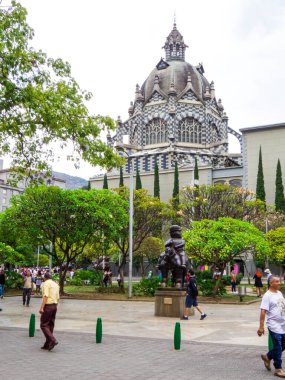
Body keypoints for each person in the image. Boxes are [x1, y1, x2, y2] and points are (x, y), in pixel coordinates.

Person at [258, 276, 285, 378]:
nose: (279, 283)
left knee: (283, 345)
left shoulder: (279, 293)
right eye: (277, 281)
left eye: (279, 281)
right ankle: (278, 369)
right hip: (274, 325)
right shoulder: (267, 296)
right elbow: (263, 311)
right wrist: (261, 327)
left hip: (283, 324)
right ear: (271, 283)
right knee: (278, 346)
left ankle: (268, 356)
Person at [39, 272, 60, 351]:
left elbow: (45, 296)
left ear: (45, 278)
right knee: (50, 324)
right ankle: (48, 344)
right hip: (54, 305)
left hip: (48, 306)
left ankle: (53, 340)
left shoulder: (46, 284)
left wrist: (42, 307)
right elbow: (58, 298)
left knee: (44, 325)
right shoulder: (56, 284)